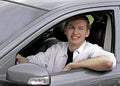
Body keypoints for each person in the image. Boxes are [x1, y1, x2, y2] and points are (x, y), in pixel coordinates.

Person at [16, 15, 116, 73]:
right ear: (65, 30)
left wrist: (71, 66)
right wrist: (16, 56)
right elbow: (33, 61)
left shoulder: (91, 49)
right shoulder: (56, 48)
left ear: (87, 33)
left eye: (80, 28)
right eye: (71, 27)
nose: (75, 32)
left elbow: (108, 62)